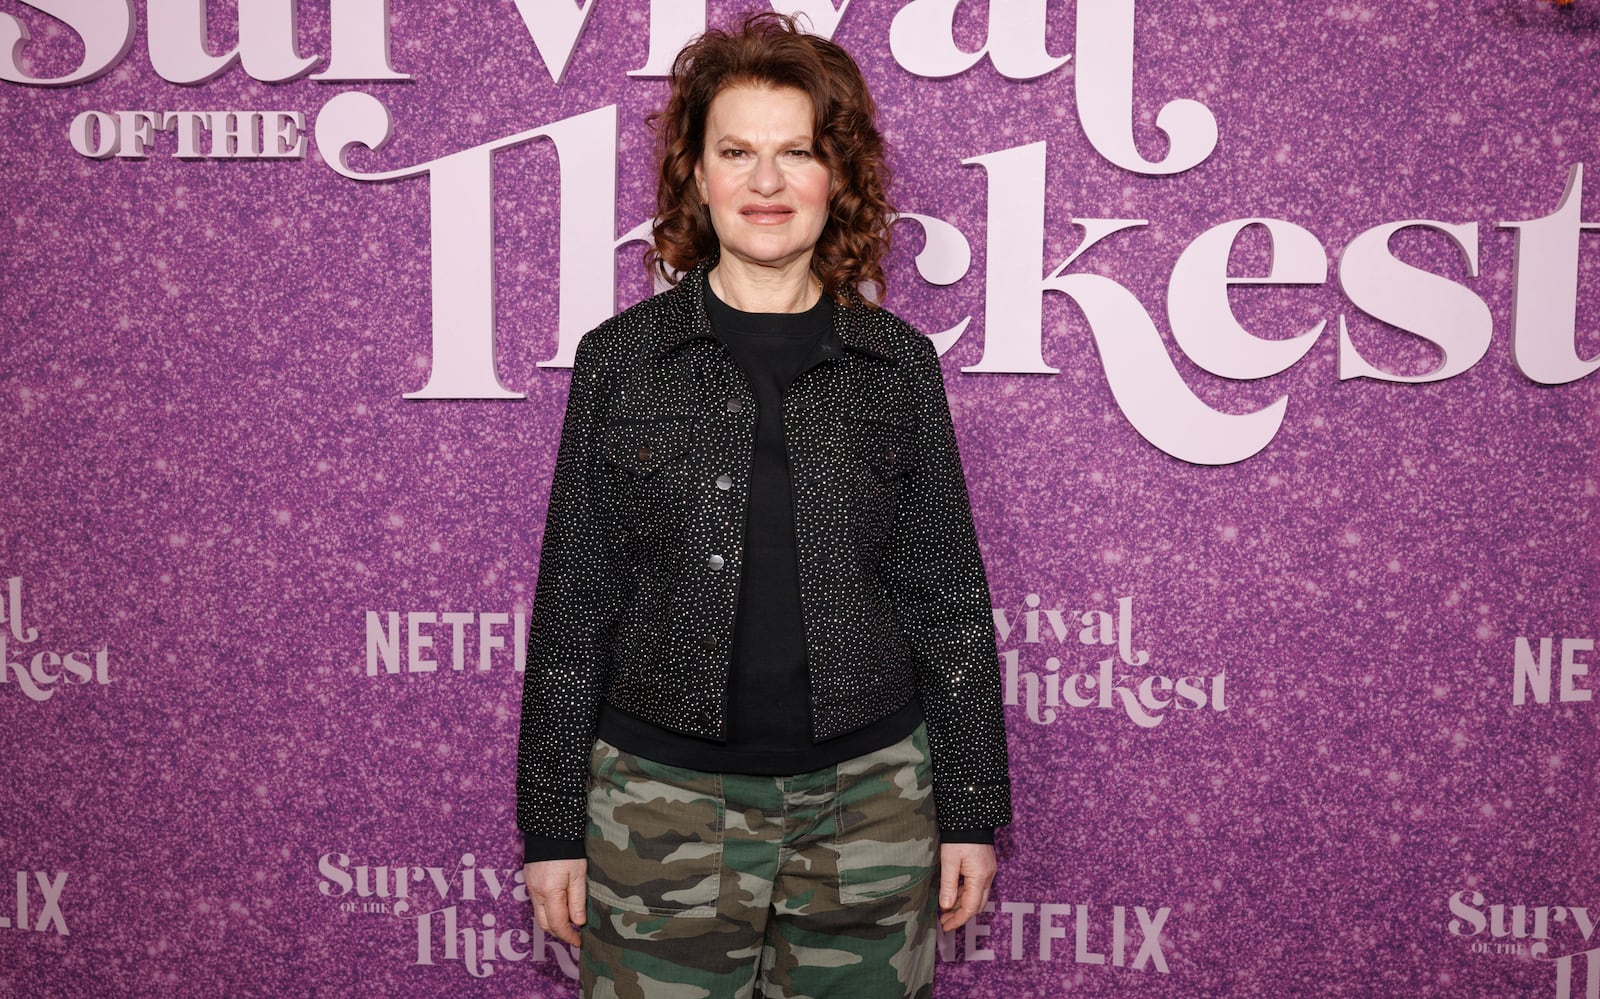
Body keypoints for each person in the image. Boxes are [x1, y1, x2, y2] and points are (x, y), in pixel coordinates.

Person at [517, 13, 1012, 997]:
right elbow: (575, 608)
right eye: (736, 151)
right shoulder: (622, 360)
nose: (767, 182)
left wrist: (966, 808)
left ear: (840, 178)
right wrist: (550, 829)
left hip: (869, 810)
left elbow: (945, 602)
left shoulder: (896, 366)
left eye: (797, 152)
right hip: (659, 811)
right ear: (696, 177)